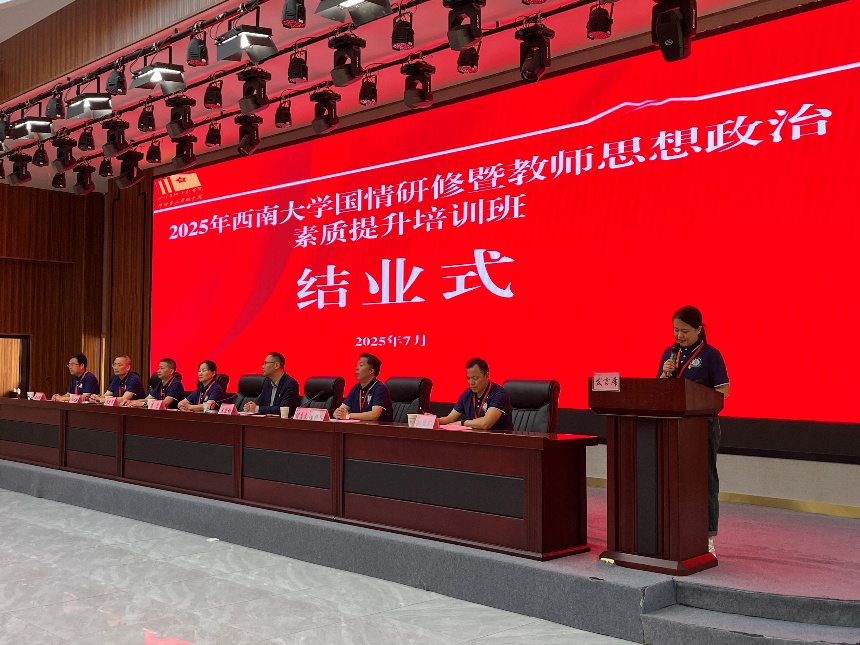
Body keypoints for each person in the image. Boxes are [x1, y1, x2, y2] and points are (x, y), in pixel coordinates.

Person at [658, 305, 729, 555]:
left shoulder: (711, 355)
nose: (679, 336)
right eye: (676, 330)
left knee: (705, 479)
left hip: (703, 426)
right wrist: (665, 375)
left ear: (699, 329)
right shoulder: (669, 354)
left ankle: (707, 535)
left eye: (685, 331)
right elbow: (659, 391)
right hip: (673, 424)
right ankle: (673, 532)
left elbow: (723, 391)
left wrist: (698, 395)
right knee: (671, 478)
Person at [438, 358, 513, 431]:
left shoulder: (499, 394)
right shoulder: (467, 394)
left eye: (475, 378)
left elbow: (485, 423)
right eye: (468, 378)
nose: (471, 383)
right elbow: (449, 419)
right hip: (475, 437)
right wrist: (433, 420)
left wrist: (462, 423)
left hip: (499, 438)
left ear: (487, 376)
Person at [333, 353, 393, 422]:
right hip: (358, 427)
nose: (357, 368)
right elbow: (342, 409)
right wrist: (337, 413)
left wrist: (348, 416)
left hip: (377, 428)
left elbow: (374, 415)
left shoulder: (380, 388)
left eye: (361, 365)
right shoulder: (356, 388)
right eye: (357, 365)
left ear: (371, 371)